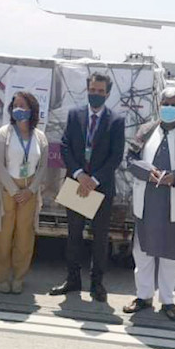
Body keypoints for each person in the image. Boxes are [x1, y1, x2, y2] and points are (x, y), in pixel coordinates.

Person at [122, 87, 175, 321]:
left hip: (174, 203)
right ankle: (143, 296)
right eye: (165, 104)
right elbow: (130, 158)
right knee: (143, 253)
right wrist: (145, 172)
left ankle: (168, 300)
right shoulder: (146, 131)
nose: (169, 108)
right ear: (159, 105)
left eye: (174, 104)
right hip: (147, 201)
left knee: (170, 257)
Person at [50, 71, 125, 302]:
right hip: (76, 183)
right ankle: (72, 279)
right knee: (74, 235)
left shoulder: (116, 121)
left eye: (100, 91)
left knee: (100, 238)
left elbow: (116, 156)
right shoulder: (75, 115)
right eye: (92, 90)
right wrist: (79, 174)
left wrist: (94, 180)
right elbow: (65, 146)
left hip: (101, 188)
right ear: (87, 90)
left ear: (108, 94)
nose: (95, 94)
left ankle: (97, 283)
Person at [0, 91, 49, 294]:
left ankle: (19, 276)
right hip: (6, 189)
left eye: (23, 105)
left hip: (29, 192)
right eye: (15, 106)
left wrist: (30, 190)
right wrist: (14, 190)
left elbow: (43, 167)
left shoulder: (40, 137)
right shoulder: (3, 133)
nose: (18, 109)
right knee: (2, 235)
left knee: (24, 236)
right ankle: (1, 277)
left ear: (32, 110)